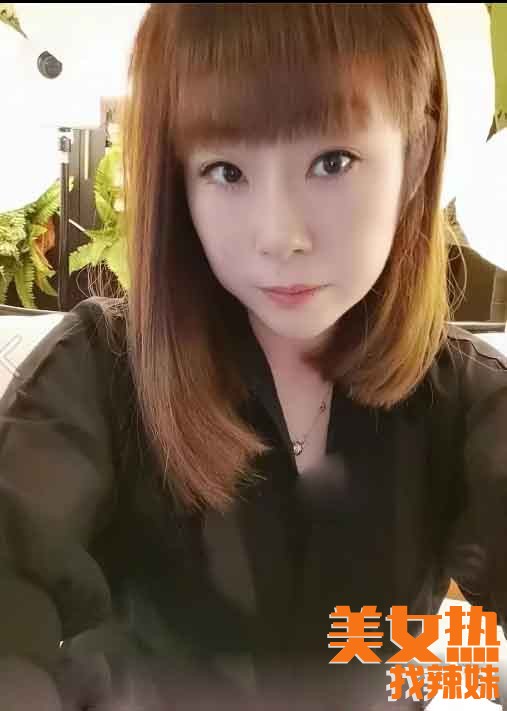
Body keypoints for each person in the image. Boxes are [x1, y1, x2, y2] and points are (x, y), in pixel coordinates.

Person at [1, 4, 506, 709]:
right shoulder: (97, 373)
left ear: (415, 157)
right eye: (225, 170)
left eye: (331, 162)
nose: (278, 235)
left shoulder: (470, 398)